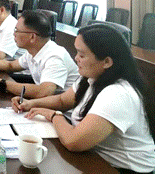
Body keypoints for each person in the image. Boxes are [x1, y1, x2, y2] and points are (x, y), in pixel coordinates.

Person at [12, 24, 155, 174]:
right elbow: (62, 101)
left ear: (107, 62)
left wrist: (54, 115)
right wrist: (31, 103)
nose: (76, 58)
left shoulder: (118, 94)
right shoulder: (91, 77)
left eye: (82, 55)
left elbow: (73, 141)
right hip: (94, 159)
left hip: (122, 170)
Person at [0, 10, 79, 98]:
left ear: (32, 37)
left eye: (17, 30)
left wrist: (1, 84)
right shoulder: (34, 50)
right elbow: (10, 65)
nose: (14, 34)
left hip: (65, 115)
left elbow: (44, 92)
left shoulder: (54, 56)